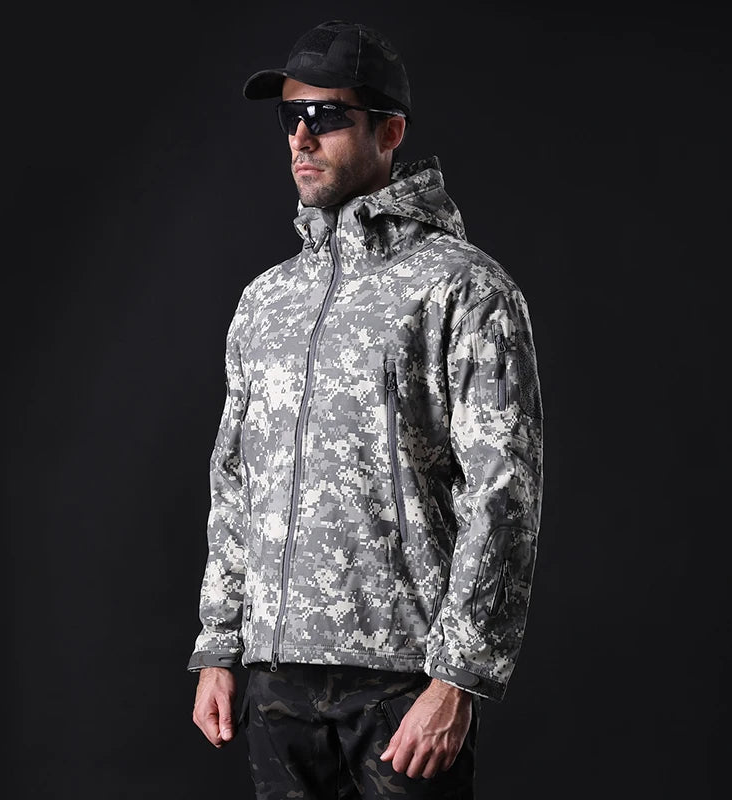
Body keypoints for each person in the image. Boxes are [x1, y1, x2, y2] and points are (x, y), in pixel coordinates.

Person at [189, 20, 544, 800]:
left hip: (404, 683)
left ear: (390, 131)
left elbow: (502, 495)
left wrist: (458, 679)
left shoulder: (463, 288)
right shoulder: (265, 302)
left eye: (326, 116)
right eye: (290, 116)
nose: (301, 137)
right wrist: (219, 645)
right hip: (276, 681)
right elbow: (234, 480)